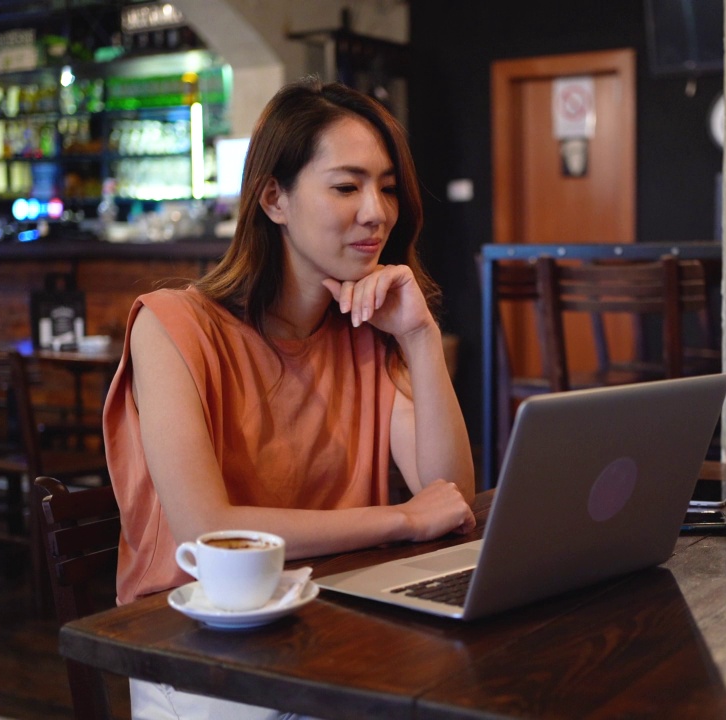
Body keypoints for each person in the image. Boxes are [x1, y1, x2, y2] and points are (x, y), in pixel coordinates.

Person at [102, 78, 476, 719]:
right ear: (273, 198)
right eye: (346, 185)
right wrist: (403, 519)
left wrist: (419, 336)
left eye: (386, 187)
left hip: (330, 630)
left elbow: (449, 496)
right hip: (198, 652)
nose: (376, 212)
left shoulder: (366, 330)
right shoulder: (171, 327)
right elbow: (210, 530)